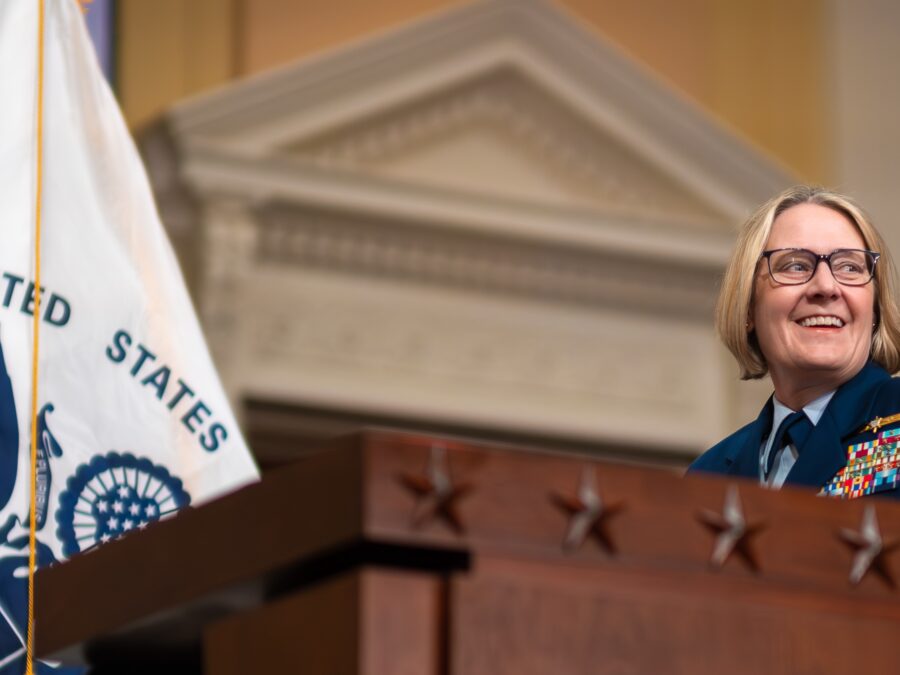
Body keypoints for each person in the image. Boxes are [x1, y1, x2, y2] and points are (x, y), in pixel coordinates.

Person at [689, 185, 900, 499]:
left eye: (850, 267)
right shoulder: (709, 475)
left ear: (874, 309)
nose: (826, 286)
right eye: (795, 266)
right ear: (748, 308)